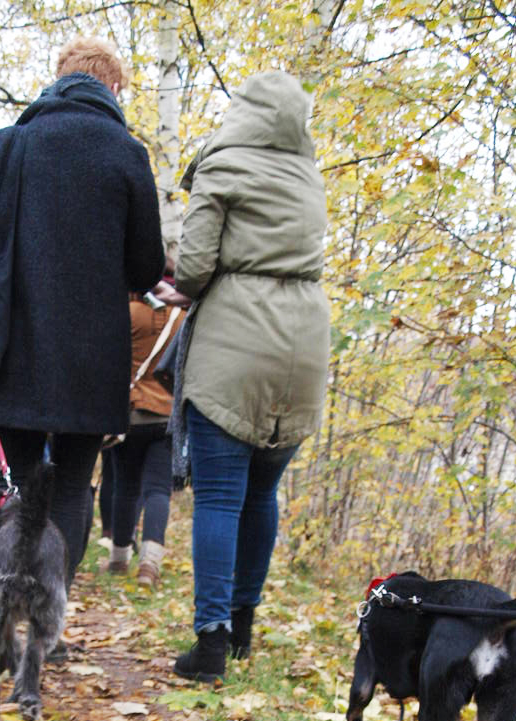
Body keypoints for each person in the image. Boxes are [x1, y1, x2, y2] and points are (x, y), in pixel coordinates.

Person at [0, 36, 164, 595]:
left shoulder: (8, 144)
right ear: (113, 87)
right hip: (91, 354)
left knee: (17, 483)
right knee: (71, 486)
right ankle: (49, 624)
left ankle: (3, 610)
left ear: (59, 77)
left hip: (14, 344)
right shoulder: (127, 153)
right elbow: (145, 269)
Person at [170, 70, 330, 681]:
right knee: (263, 493)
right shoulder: (307, 174)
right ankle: (242, 627)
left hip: (237, 339)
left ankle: (210, 641)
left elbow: (193, 268)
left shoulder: (223, 163)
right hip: (304, 345)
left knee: (220, 496)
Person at [105, 272, 186, 586]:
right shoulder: (182, 317)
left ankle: (118, 559)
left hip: (131, 412)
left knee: (125, 487)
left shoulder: (128, 312)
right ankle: (150, 565)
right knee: (158, 490)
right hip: (166, 417)